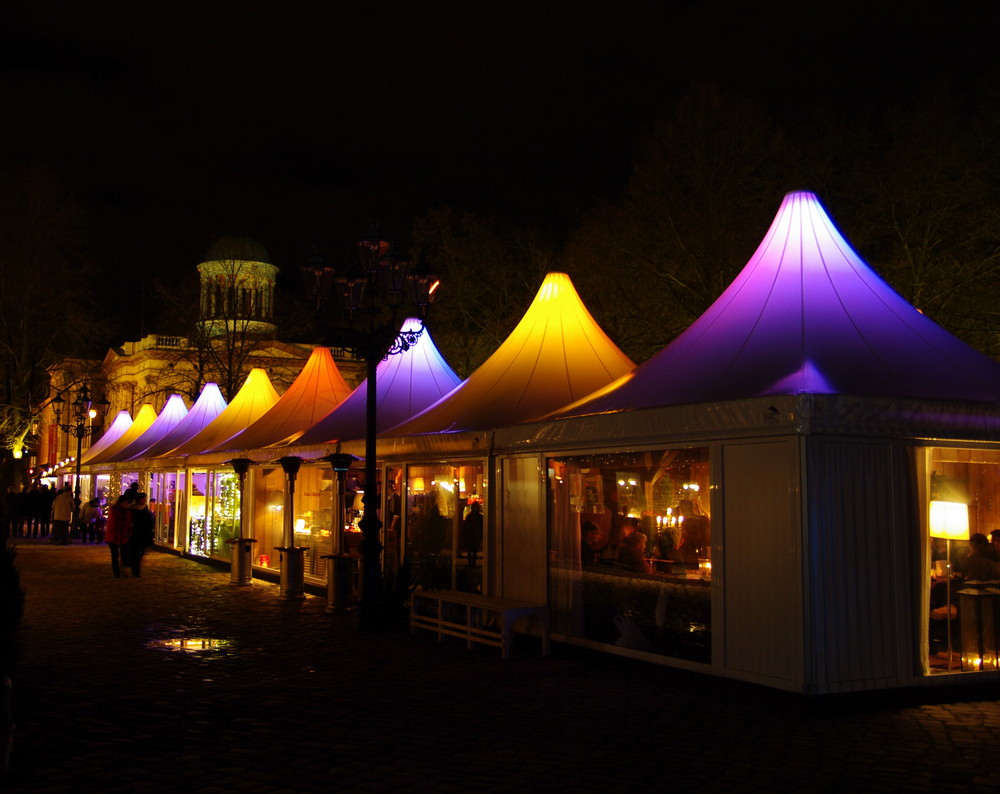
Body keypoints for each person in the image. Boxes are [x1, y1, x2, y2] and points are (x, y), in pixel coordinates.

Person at [105, 494, 134, 577]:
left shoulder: (126, 511)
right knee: (115, 554)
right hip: (114, 535)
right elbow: (115, 522)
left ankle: (121, 570)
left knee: (123, 554)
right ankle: (116, 572)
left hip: (123, 535)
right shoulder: (114, 510)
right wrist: (127, 525)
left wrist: (129, 530)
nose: (126, 505)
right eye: (126, 503)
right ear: (121, 502)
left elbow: (128, 521)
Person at [127, 493, 155, 577]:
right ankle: (135, 569)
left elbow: (149, 520)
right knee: (135, 552)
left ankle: (135, 567)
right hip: (135, 533)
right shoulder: (132, 509)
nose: (144, 501)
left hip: (143, 533)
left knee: (141, 552)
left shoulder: (145, 508)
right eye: (143, 499)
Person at [460, 502, 484, 567]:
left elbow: (465, 526)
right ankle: (472, 562)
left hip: (471, 535)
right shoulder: (479, 517)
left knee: (471, 550)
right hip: (474, 535)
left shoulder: (469, 517)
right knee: (473, 550)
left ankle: (470, 563)